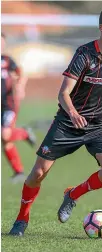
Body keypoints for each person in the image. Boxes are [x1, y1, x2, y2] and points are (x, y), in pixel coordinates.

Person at [9, 4, 102, 236]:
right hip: (68, 122)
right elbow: (63, 93)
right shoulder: (84, 54)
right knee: (38, 174)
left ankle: (72, 195)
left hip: (99, 125)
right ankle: (21, 219)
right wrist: (74, 114)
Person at [1, 32, 36, 183]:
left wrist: (20, 86)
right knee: (6, 140)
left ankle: (24, 133)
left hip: (7, 104)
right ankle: (19, 172)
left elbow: (21, 73)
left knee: (5, 135)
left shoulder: (7, 60)